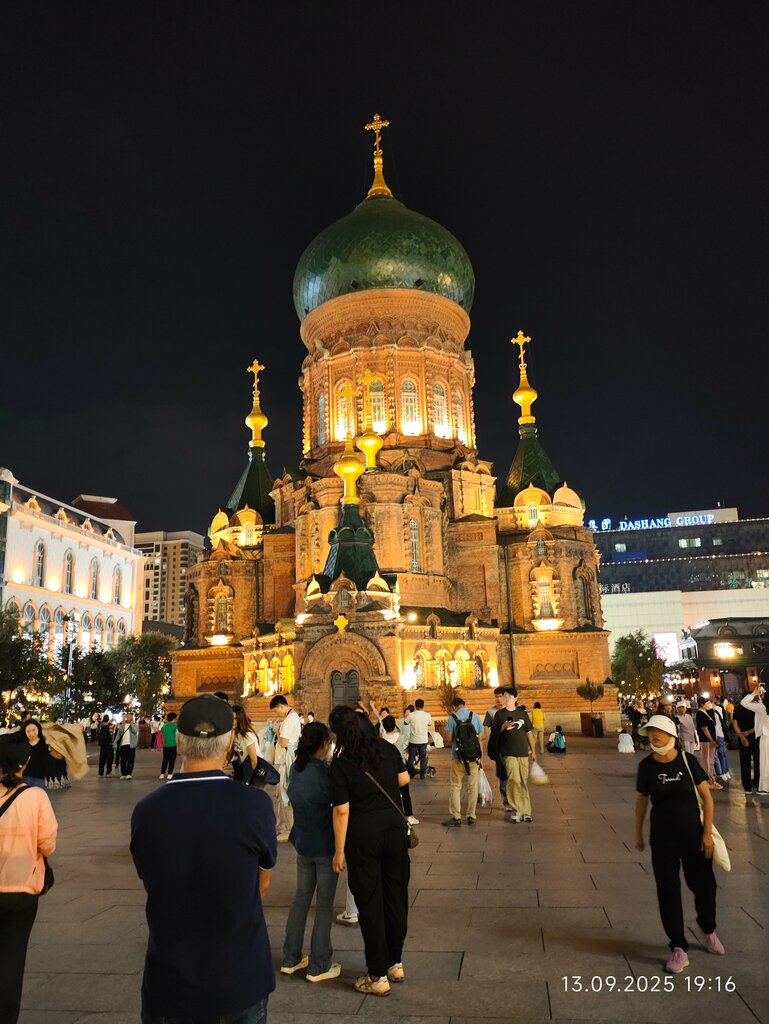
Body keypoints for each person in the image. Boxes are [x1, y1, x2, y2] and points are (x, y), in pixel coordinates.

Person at [131, 695, 276, 1023]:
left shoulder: (146, 812)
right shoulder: (254, 806)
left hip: (169, 985)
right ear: (228, 747)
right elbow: (262, 884)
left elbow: (151, 879)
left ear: (179, 744)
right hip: (240, 980)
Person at [329, 705, 410, 997]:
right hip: (395, 832)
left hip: (363, 838)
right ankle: (395, 962)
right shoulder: (386, 749)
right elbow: (404, 780)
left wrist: (339, 851)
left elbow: (341, 811)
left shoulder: (344, 761)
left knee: (371, 903)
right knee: (396, 896)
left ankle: (376, 976)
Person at [634, 714, 724, 973]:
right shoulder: (647, 767)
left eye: (658, 731)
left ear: (672, 735)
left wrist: (706, 833)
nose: (654, 736)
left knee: (705, 887)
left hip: (693, 837)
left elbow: (707, 798)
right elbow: (642, 802)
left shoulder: (688, 761)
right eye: (650, 732)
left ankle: (708, 929)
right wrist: (639, 833)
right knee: (668, 892)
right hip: (662, 840)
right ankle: (678, 947)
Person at [0, 734, 58, 1024]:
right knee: (11, 961)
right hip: (22, 889)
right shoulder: (35, 796)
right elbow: (48, 844)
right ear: (26, 762)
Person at [281, 721, 341, 982]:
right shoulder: (326, 774)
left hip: (303, 843)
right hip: (324, 846)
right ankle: (319, 964)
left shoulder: (297, 768)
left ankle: (290, 958)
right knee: (324, 905)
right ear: (323, 744)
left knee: (300, 900)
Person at [491, 688, 538, 822]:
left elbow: (529, 733)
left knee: (523, 781)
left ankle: (526, 811)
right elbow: (494, 734)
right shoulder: (499, 715)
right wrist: (503, 727)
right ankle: (516, 809)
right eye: (505, 697)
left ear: (515, 699)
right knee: (513, 780)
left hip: (523, 752)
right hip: (508, 753)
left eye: (509, 697)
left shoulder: (522, 713)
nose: (506, 699)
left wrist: (533, 751)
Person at [442, 697, 483, 827]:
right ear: (465, 705)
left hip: (458, 757)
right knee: (473, 787)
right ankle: (471, 816)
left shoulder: (453, 718)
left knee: (455, 786)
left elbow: (448, 739)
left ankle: (456, 816)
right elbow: (480, 738)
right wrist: (480, 758)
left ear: (454, 707)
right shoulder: (474, 716)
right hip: (473, 758)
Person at [270, 694, 302, 842]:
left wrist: (277, 731)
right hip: (289, 759)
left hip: (286, 760)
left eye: (277, 710)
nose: (277, 714)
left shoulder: (289, 719)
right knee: (284, 793)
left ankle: (290, 829)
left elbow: (283, 742)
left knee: (285, 793)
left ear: (281, 706)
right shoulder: (293, 717)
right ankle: (289, 827)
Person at [381, 715, 418, 825]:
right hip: (400, 768)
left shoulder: (382, 740)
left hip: (386, 770)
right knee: (405, 793)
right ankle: (409, 816)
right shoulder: (402, 737)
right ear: (394, 725)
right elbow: (406, 746)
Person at [739, 686, 769, 794]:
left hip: (766, 738)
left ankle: (765, 788)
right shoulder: (763, 707)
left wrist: (753, 693)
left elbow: (744, 702)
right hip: (765, 736)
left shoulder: (763, 708)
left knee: (765, 763)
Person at [483, 687, 510, 807]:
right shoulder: (491, 712)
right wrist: (491, 741)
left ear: (505, 696)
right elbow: (486, 727)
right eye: (496, 696)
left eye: (500, 696)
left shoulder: (511, 710)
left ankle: (514, 799)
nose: (498, 699)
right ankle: (506, 801)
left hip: (511, 746)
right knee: (503, 774)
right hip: (499, 748)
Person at [732, 688, 760, 794]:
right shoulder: (756, 709)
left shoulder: (738, 709)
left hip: (743, 739)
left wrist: (741, 736)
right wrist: (748, 732)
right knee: (757, 761)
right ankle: (757, 783)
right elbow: (758, 725)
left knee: (744, 762)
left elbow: (735, 724)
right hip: (755, 737)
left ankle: (747, 786)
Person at [695, 697, 721, 789]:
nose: (709, 704)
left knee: (710, 761)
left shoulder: (706, 713)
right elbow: (704, 729)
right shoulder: (700, 714)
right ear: (702, 704)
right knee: (707, 761)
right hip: (706, 741)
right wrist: (712, 741)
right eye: (707, 703)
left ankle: (711, 779)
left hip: (709, 741)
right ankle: (709, 781)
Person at [231, 705, 259, 785]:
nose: (233, 721)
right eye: (231, 718)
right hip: (245, 771)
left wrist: (249, 780)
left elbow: (254, 760)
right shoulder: (235, 734)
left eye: (235, 719)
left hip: (255, 774)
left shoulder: (247, 734)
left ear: (241, 719)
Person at [407, 698, 433, 780]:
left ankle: (409, 773)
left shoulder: (411, 715)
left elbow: (405, 722)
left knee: (411, 757)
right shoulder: (427, 715)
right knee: (423, 757)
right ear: (423, 706)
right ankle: (422, 774)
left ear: (415, 705)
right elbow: (430, 723)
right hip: (423, 740)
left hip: (413, 740)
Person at [116, 713, 139, 779]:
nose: (129, 718)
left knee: (130, 760)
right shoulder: (122, 725)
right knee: (123, 760)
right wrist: (115, 743)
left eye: (130, 717)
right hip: (123, 745)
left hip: (131, 745)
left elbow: (135, 731)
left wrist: (131, 724)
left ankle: (129, 773)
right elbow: (118, 735)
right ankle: (123, 773)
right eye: (128, 716)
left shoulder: (134, 725)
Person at [159, 712, 177, 779]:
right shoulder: (175, 726)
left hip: (165, 745)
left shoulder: (164, 727)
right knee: (172, 760)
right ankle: (170, 774)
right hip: (173, 745)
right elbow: (177, 735)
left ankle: (162, 773)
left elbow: (162, 733)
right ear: (173, 719)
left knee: (165, 759)